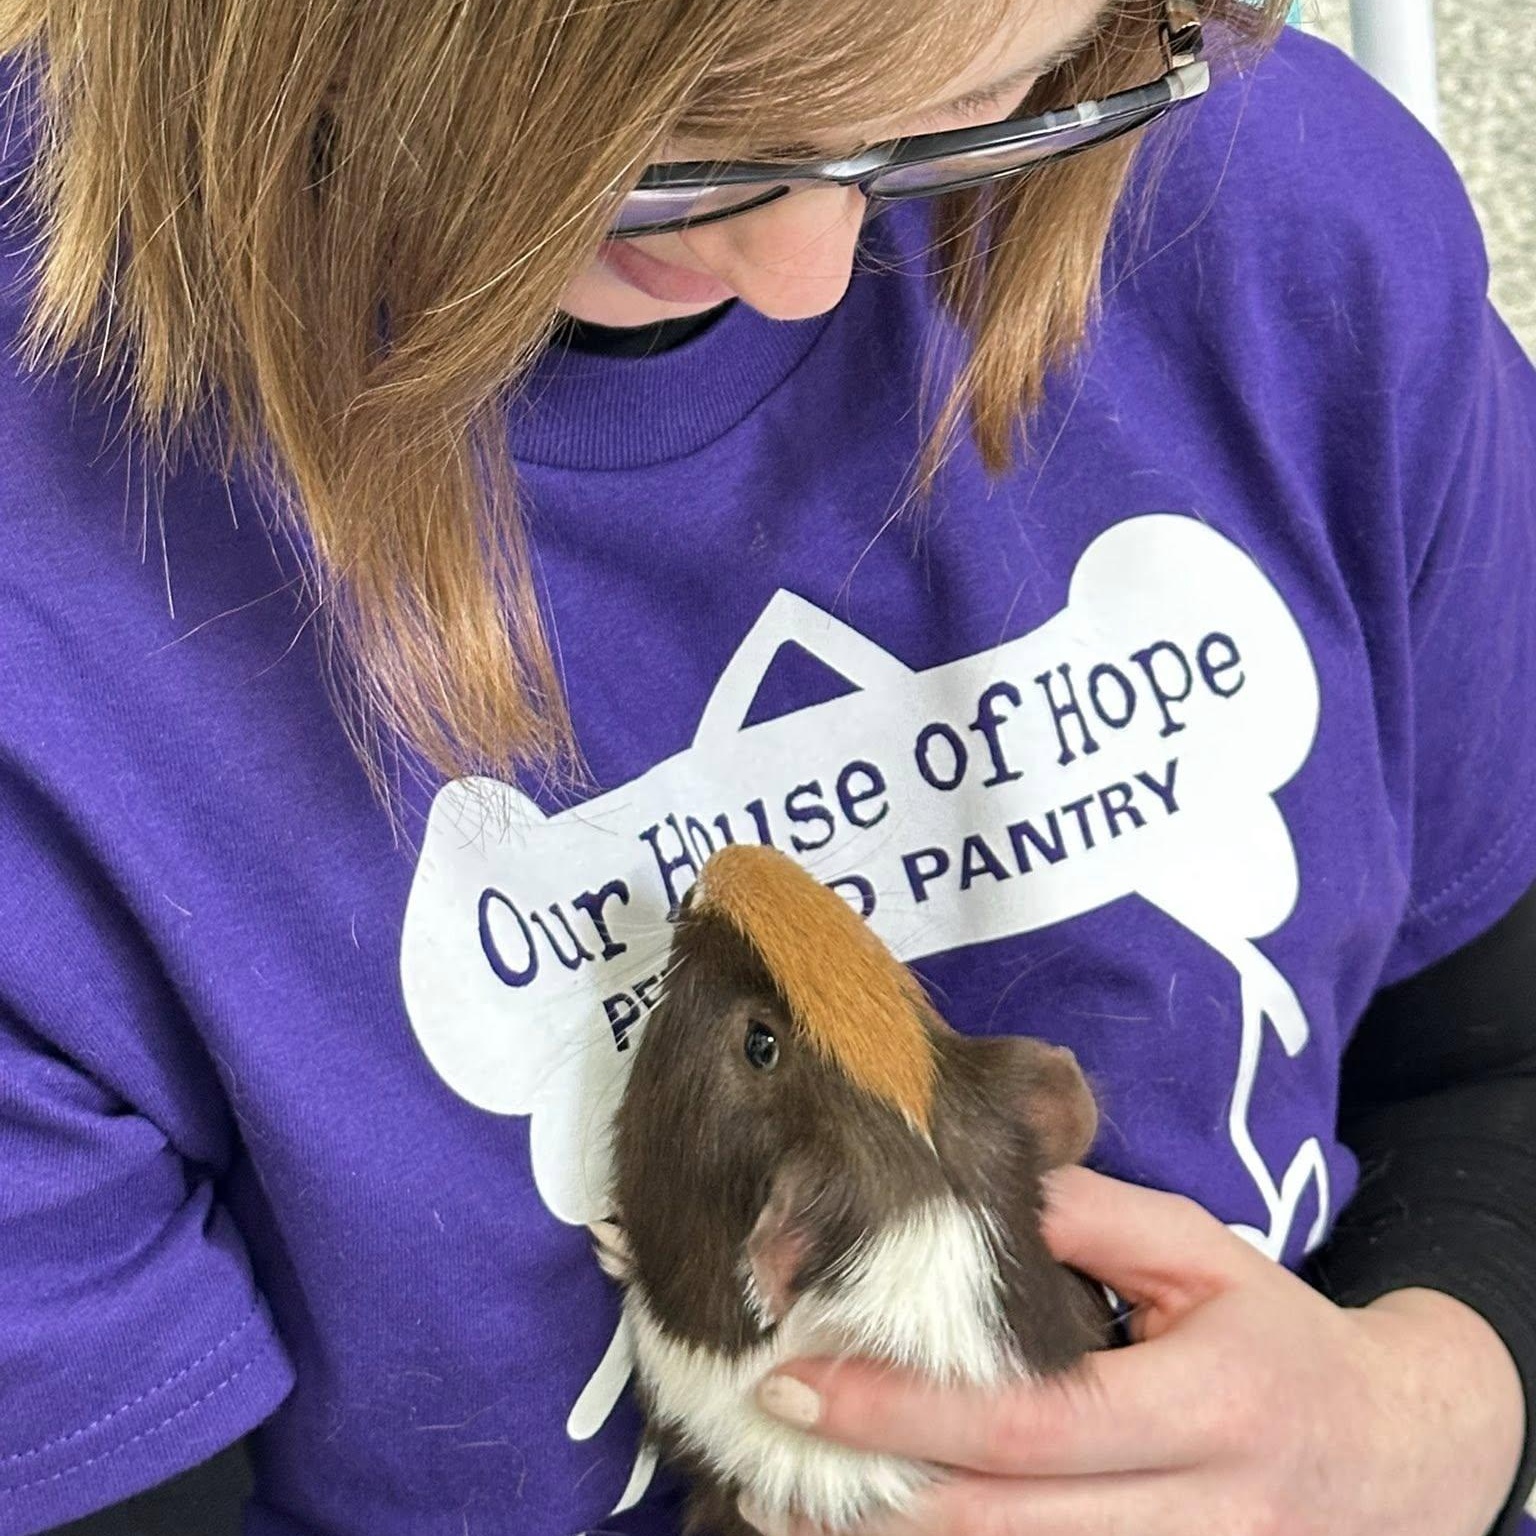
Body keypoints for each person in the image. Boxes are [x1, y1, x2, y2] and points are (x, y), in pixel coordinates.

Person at [0, 0, 1531, 1532]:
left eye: (983, 109)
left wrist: (1438, 1411)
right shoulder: (54, 596)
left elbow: (1496, 1062)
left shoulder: (1292, 223)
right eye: (677, 154)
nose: (806, 271)